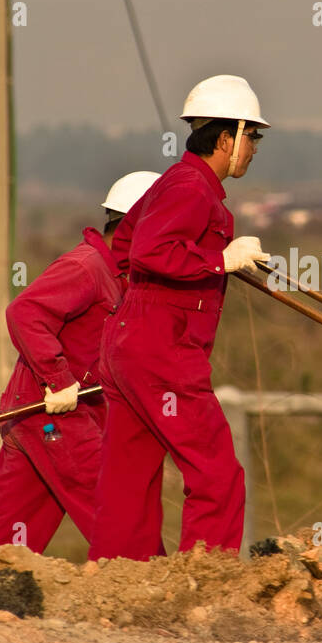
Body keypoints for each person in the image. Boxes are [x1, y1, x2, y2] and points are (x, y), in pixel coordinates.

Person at [89, 75, 270, 561]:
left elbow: (124, 245)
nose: (255, 147)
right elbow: (150, 250)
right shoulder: (193, 189)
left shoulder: (174, 181)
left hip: (129, 345)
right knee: (217, 474)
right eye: (253, 136)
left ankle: (118, 580)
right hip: (163, 353)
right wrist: (218, 262)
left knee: (129, 477)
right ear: (228, 138)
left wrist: (142, 303)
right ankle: (205, 583)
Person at [0, 170, 160, 555]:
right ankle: (156, 595)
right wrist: (58, 380)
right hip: (52, 418)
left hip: (39, 420)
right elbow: (24, 313)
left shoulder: (122, 277)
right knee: (122, 518)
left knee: (6, 548)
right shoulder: (87, 268)